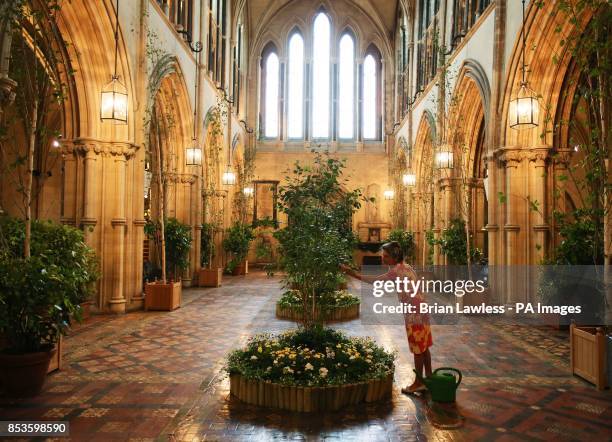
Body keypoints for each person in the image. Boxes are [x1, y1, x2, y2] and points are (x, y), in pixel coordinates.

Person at [341, 241, 433, 393]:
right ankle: (429, 378)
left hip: (414, 312)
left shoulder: (396, 270)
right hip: (422, 308)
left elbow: (374, 281)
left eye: (386, 256)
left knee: (418, 348)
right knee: (424, 347)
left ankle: (418, 383)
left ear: (394, 257)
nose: (383, 259)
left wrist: (350, 272)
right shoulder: (406, 266)